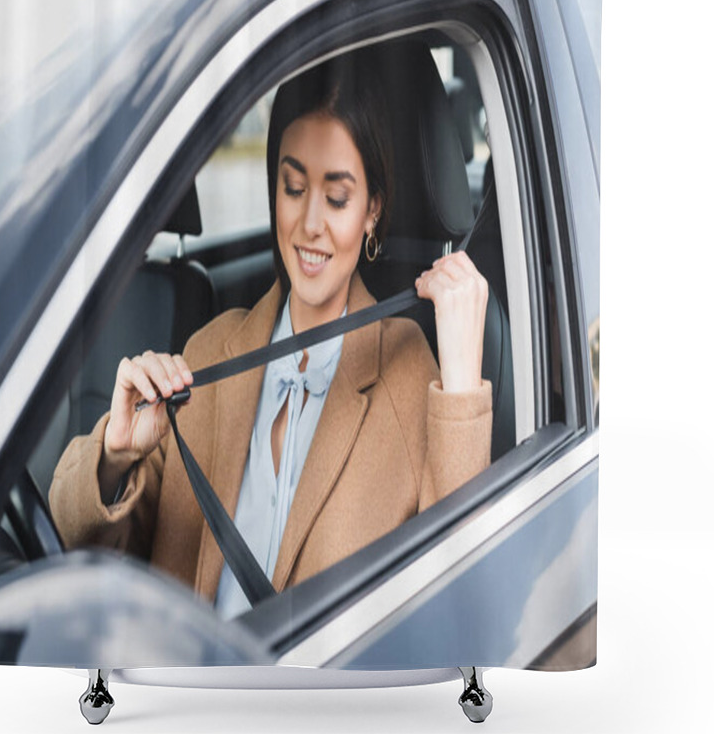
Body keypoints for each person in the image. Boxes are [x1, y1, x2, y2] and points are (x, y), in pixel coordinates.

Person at [49, 51, 493, 620]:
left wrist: (460, 383)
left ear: (372, 211)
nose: (310, 223)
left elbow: (460, 596)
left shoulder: (411, 376)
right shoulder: (208, 354)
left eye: (336, 198)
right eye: (291, 188)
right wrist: (113, 457)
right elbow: (77, 550)